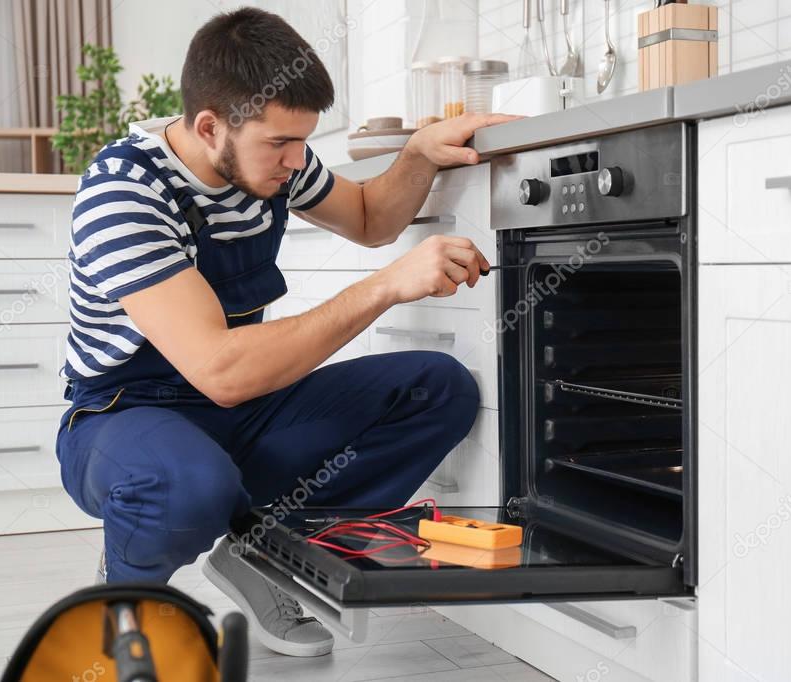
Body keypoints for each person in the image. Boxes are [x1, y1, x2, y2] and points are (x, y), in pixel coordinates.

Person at [54, 6, 519, 657]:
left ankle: (261, 549)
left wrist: (417, 153)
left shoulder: (272, 162)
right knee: (190, 486)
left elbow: (369, 218)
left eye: (303, 141)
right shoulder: (125, 193)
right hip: (123, 418)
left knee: (436, 388)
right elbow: (221, 370)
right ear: (210, 125)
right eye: (279, 144)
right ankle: (127, 599)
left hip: (240, 409)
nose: (297, 162)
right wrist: (386, 284)